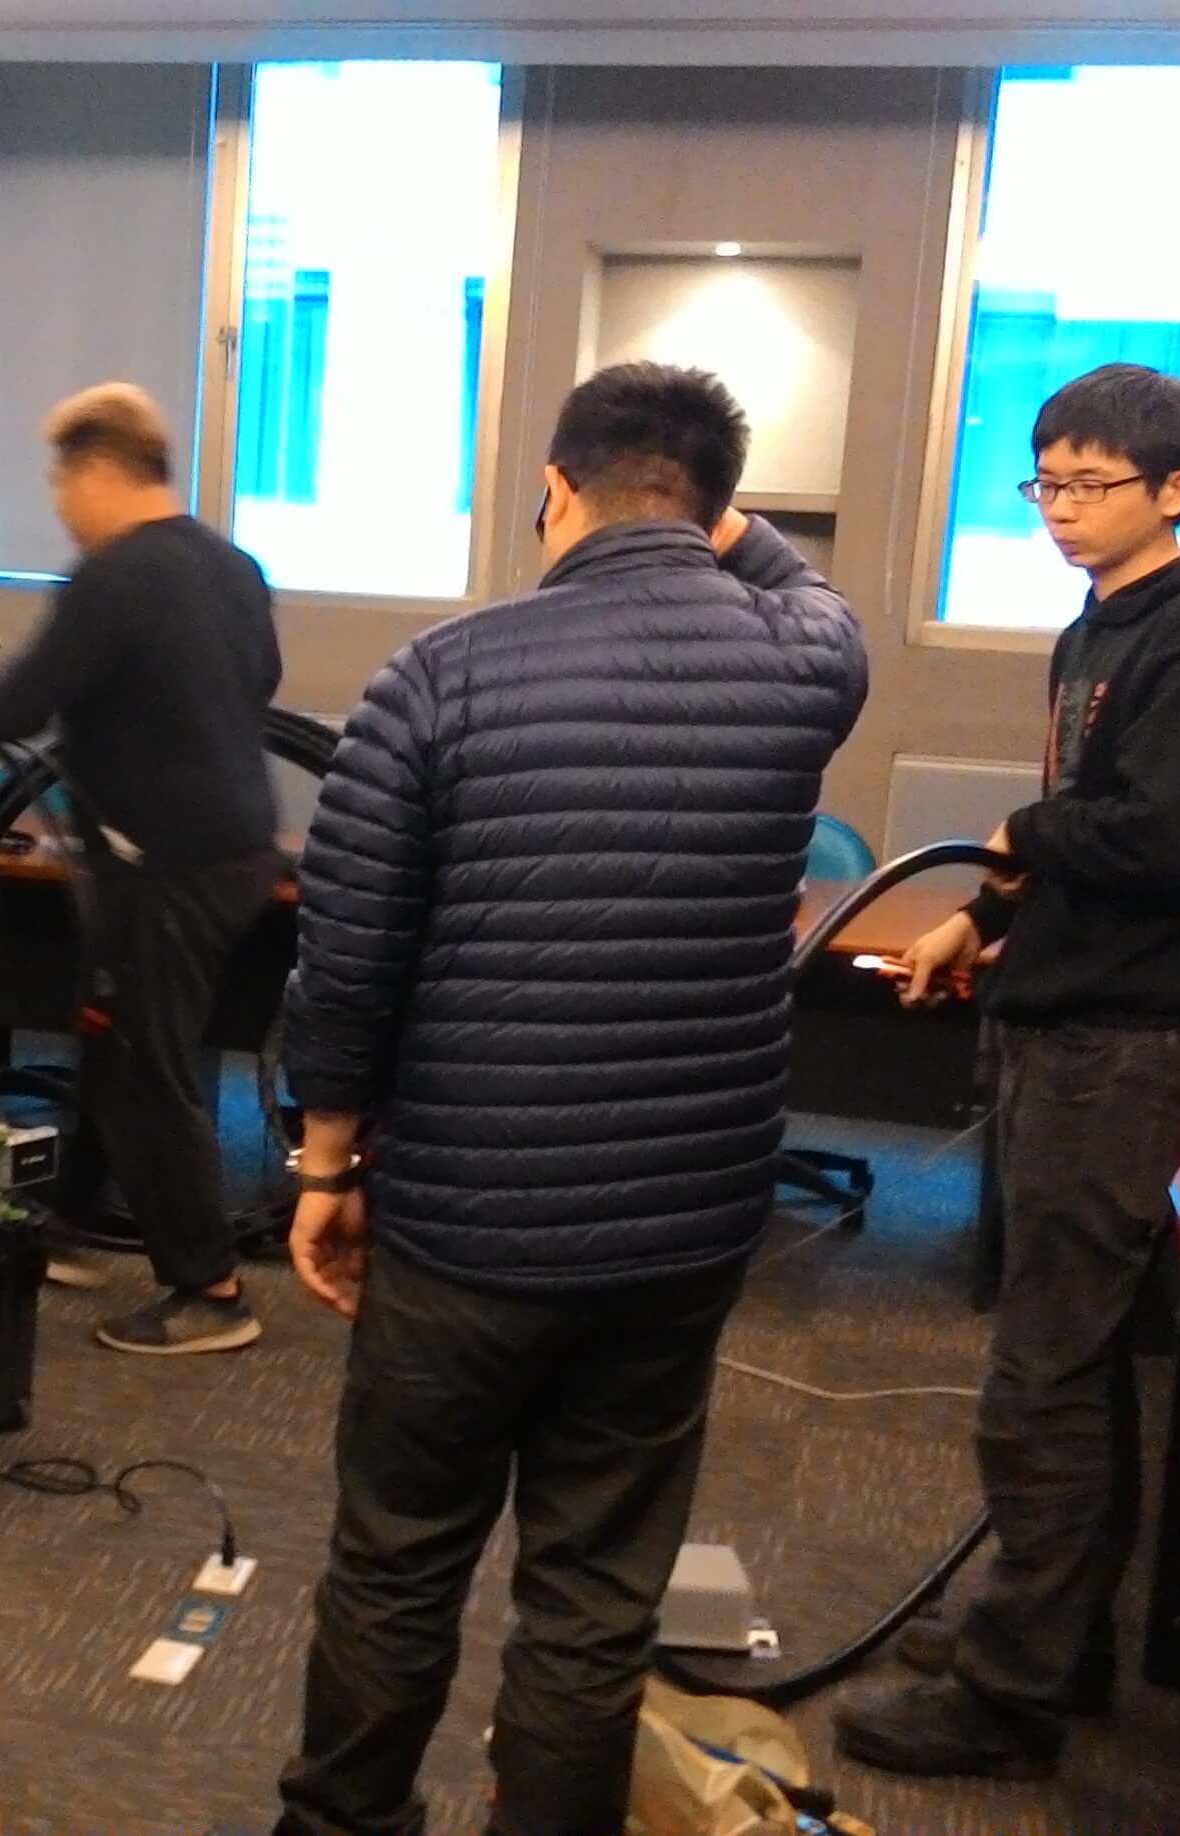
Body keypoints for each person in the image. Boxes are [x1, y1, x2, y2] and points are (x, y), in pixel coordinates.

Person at [274, 362, 868, 1836]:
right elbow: (807, 590)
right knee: (597, 1593)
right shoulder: (805, 664)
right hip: (683, 1231)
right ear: (718, 507)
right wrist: (722, 524)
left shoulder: (439, 676)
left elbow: (346, 961)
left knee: (399, 1556)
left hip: (469, 1220)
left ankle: (342, 1824)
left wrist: (326, 1168)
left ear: (553, 489)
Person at [833, 363, 1180, 1780]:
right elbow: (1088, 823)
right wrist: (982, 914)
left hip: (1123, 1047)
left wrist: (1024, 833)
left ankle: (1012, 1698)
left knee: (1046, 1377)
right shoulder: (1099, 626)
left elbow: (1164, 834)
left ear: (1175, 488)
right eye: (1046, 483)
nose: (1062, 510)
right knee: (1067, 1367)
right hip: (1065, 1020)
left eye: (1092, 485)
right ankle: (1056, 1640)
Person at [0, 382, 285, 1358]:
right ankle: (64, 1225)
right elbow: (260, 682)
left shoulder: (114, 576)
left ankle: (211, 1291)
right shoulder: (232, 565)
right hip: (236, 852)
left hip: (163, 871)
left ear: (99, 470)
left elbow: (14, 708)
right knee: (112, 1045)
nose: (60, 503)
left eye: (61, 482)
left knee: (145, 1070)